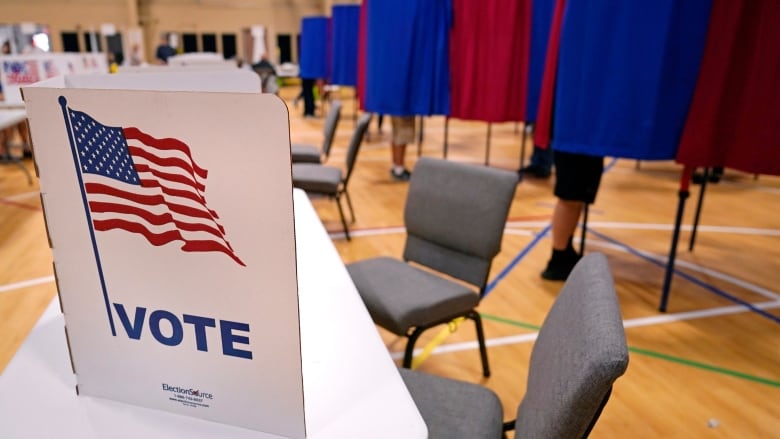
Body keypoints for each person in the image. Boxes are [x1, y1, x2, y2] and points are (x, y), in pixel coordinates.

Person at [541, 150, 604, 281]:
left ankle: (566, 250)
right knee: (569, 198)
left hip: (584, 145)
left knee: (577, 198)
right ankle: (557, 259)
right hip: (573, 146)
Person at [389, 116, 414, 181]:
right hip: (403, 109)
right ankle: (399, 169)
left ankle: (396, 167)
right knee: (402, 132)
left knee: (397, 132)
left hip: (397, 109)